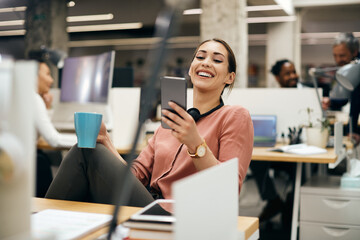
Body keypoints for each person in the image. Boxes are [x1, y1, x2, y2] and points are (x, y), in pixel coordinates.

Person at [45, 38, 254, 207]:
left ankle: (41, 226)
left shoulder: (234, 116)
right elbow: (136, 175)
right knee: (86, 147)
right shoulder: (170, 122)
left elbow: (228, 190)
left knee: (85, 153)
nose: (206, 62)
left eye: (217, 60)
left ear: (230, 77)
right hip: (147, 203)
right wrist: (107, 143)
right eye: (200, 56)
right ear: (191, 69)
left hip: (183, 214)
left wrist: (195, 144)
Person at [249, 59, 298, 227]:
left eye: (294, 71)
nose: (293, 76)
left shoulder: (307, 93)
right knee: (255, 160)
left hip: (299, 150)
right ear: (277, 78)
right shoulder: (273, 97)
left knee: (301, 170)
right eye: (287, 73)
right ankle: (272, 200)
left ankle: (292, 204)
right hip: (278, 147)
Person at [34, 61, 76, 197]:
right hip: (27, 162)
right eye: (47, 74)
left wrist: (47, 106)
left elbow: (41, 128)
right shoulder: (34, 99)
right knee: (42, 161)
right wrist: (88, 140)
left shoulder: (29, 97)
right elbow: (54, 140)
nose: (51, 80)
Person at [324, 33, 360, 146]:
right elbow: (347, 98)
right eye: (335, 55)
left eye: (342, 55)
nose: (338, 60)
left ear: (354, 52)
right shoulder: (348, 70)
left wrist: (355, 130)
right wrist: (330, 102)